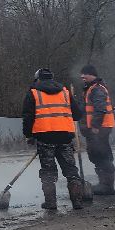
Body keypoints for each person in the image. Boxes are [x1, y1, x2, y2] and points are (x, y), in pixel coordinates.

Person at [21, 67, 86, 213]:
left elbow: (28, 117)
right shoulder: (65, 92)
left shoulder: (33, 92)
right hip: (65, 136)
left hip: (45, 137)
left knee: (48, 172)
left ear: (37, 79)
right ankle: (77, 202)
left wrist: (28, 136)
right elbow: (77, 115)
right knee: (71, 171)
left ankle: (51, 203)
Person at [78, 64, 115, 196]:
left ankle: (107, 186)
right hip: (97, 129)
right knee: (96, 154)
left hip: (100, 129)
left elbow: (100, 109)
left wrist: (95, 126)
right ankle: (104, 183)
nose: (82, 76)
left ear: (92, 75)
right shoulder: (91, 89)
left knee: (101, 154)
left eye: (85, 74)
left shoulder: (97, 89)